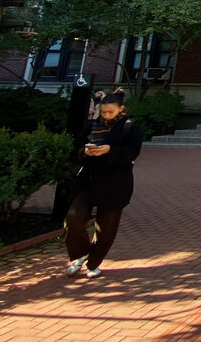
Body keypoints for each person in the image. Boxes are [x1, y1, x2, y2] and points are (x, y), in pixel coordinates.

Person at [64, 87, 143, 279]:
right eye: (104, 112)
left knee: (106, 228)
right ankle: (79, 253)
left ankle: (94, 263)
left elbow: (131, 152)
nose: (106, 116)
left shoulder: (129, 127)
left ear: (121, 109)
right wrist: (85, 152)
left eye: (111, 112)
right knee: (73, 217)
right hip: (90, 180)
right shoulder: (91, 126)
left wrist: (110, 151)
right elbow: (76, 148)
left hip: (116, 183)